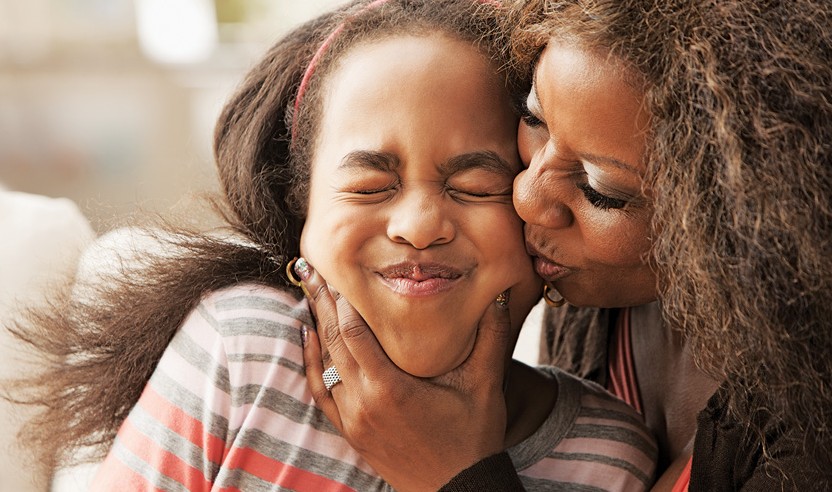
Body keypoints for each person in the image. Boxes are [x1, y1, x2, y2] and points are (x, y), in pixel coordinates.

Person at [8, 0, 658, 490]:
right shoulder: (242, 352)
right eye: (372, 185)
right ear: (302, 213)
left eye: (475, 185)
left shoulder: (608, 455)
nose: (419, 224)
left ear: (533, 220)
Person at [296, 0, 832, 490]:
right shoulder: (588, 292)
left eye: (601, 192)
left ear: (748, 216)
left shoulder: (809, 437)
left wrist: (458, 475)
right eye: (535, 117)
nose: (525, 197)